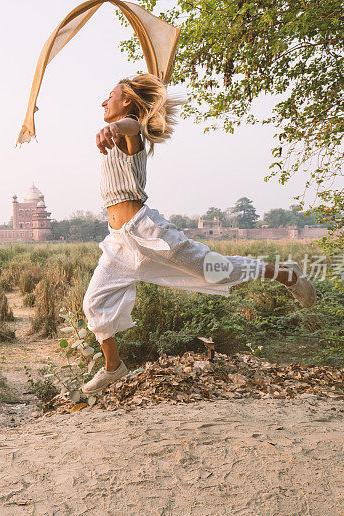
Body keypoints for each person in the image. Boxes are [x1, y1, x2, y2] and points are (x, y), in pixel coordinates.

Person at [80, 74, 316, 396]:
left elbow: (134, 127)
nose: (103, 102)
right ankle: (114, 367)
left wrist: (116, 127)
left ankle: (285, 274)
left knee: (216, 271)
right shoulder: (115, 136)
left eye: (110, 95)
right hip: (119, 243)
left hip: (148, 233)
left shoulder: (129, 134)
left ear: (128, 103)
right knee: (94, 303)